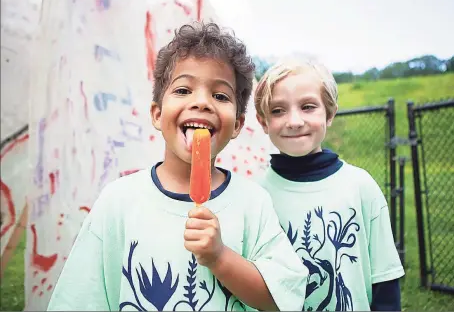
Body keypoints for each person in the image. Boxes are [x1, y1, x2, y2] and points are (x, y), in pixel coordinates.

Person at [47, 22, 308, 311]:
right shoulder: (117, 202)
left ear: (236, 125)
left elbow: (282, 299)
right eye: (183, 90)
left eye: (220, 96)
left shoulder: (253, 203)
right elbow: (80, 299)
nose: (201, 102)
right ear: (157, 114)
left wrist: (220, 257)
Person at [254, 57, 405, 311]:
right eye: (278, 110)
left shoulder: (360, 187)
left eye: (308, 106)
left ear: (330, 113)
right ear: (263, 121)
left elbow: (385, 282)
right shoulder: (255, 195)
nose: (294, 121)